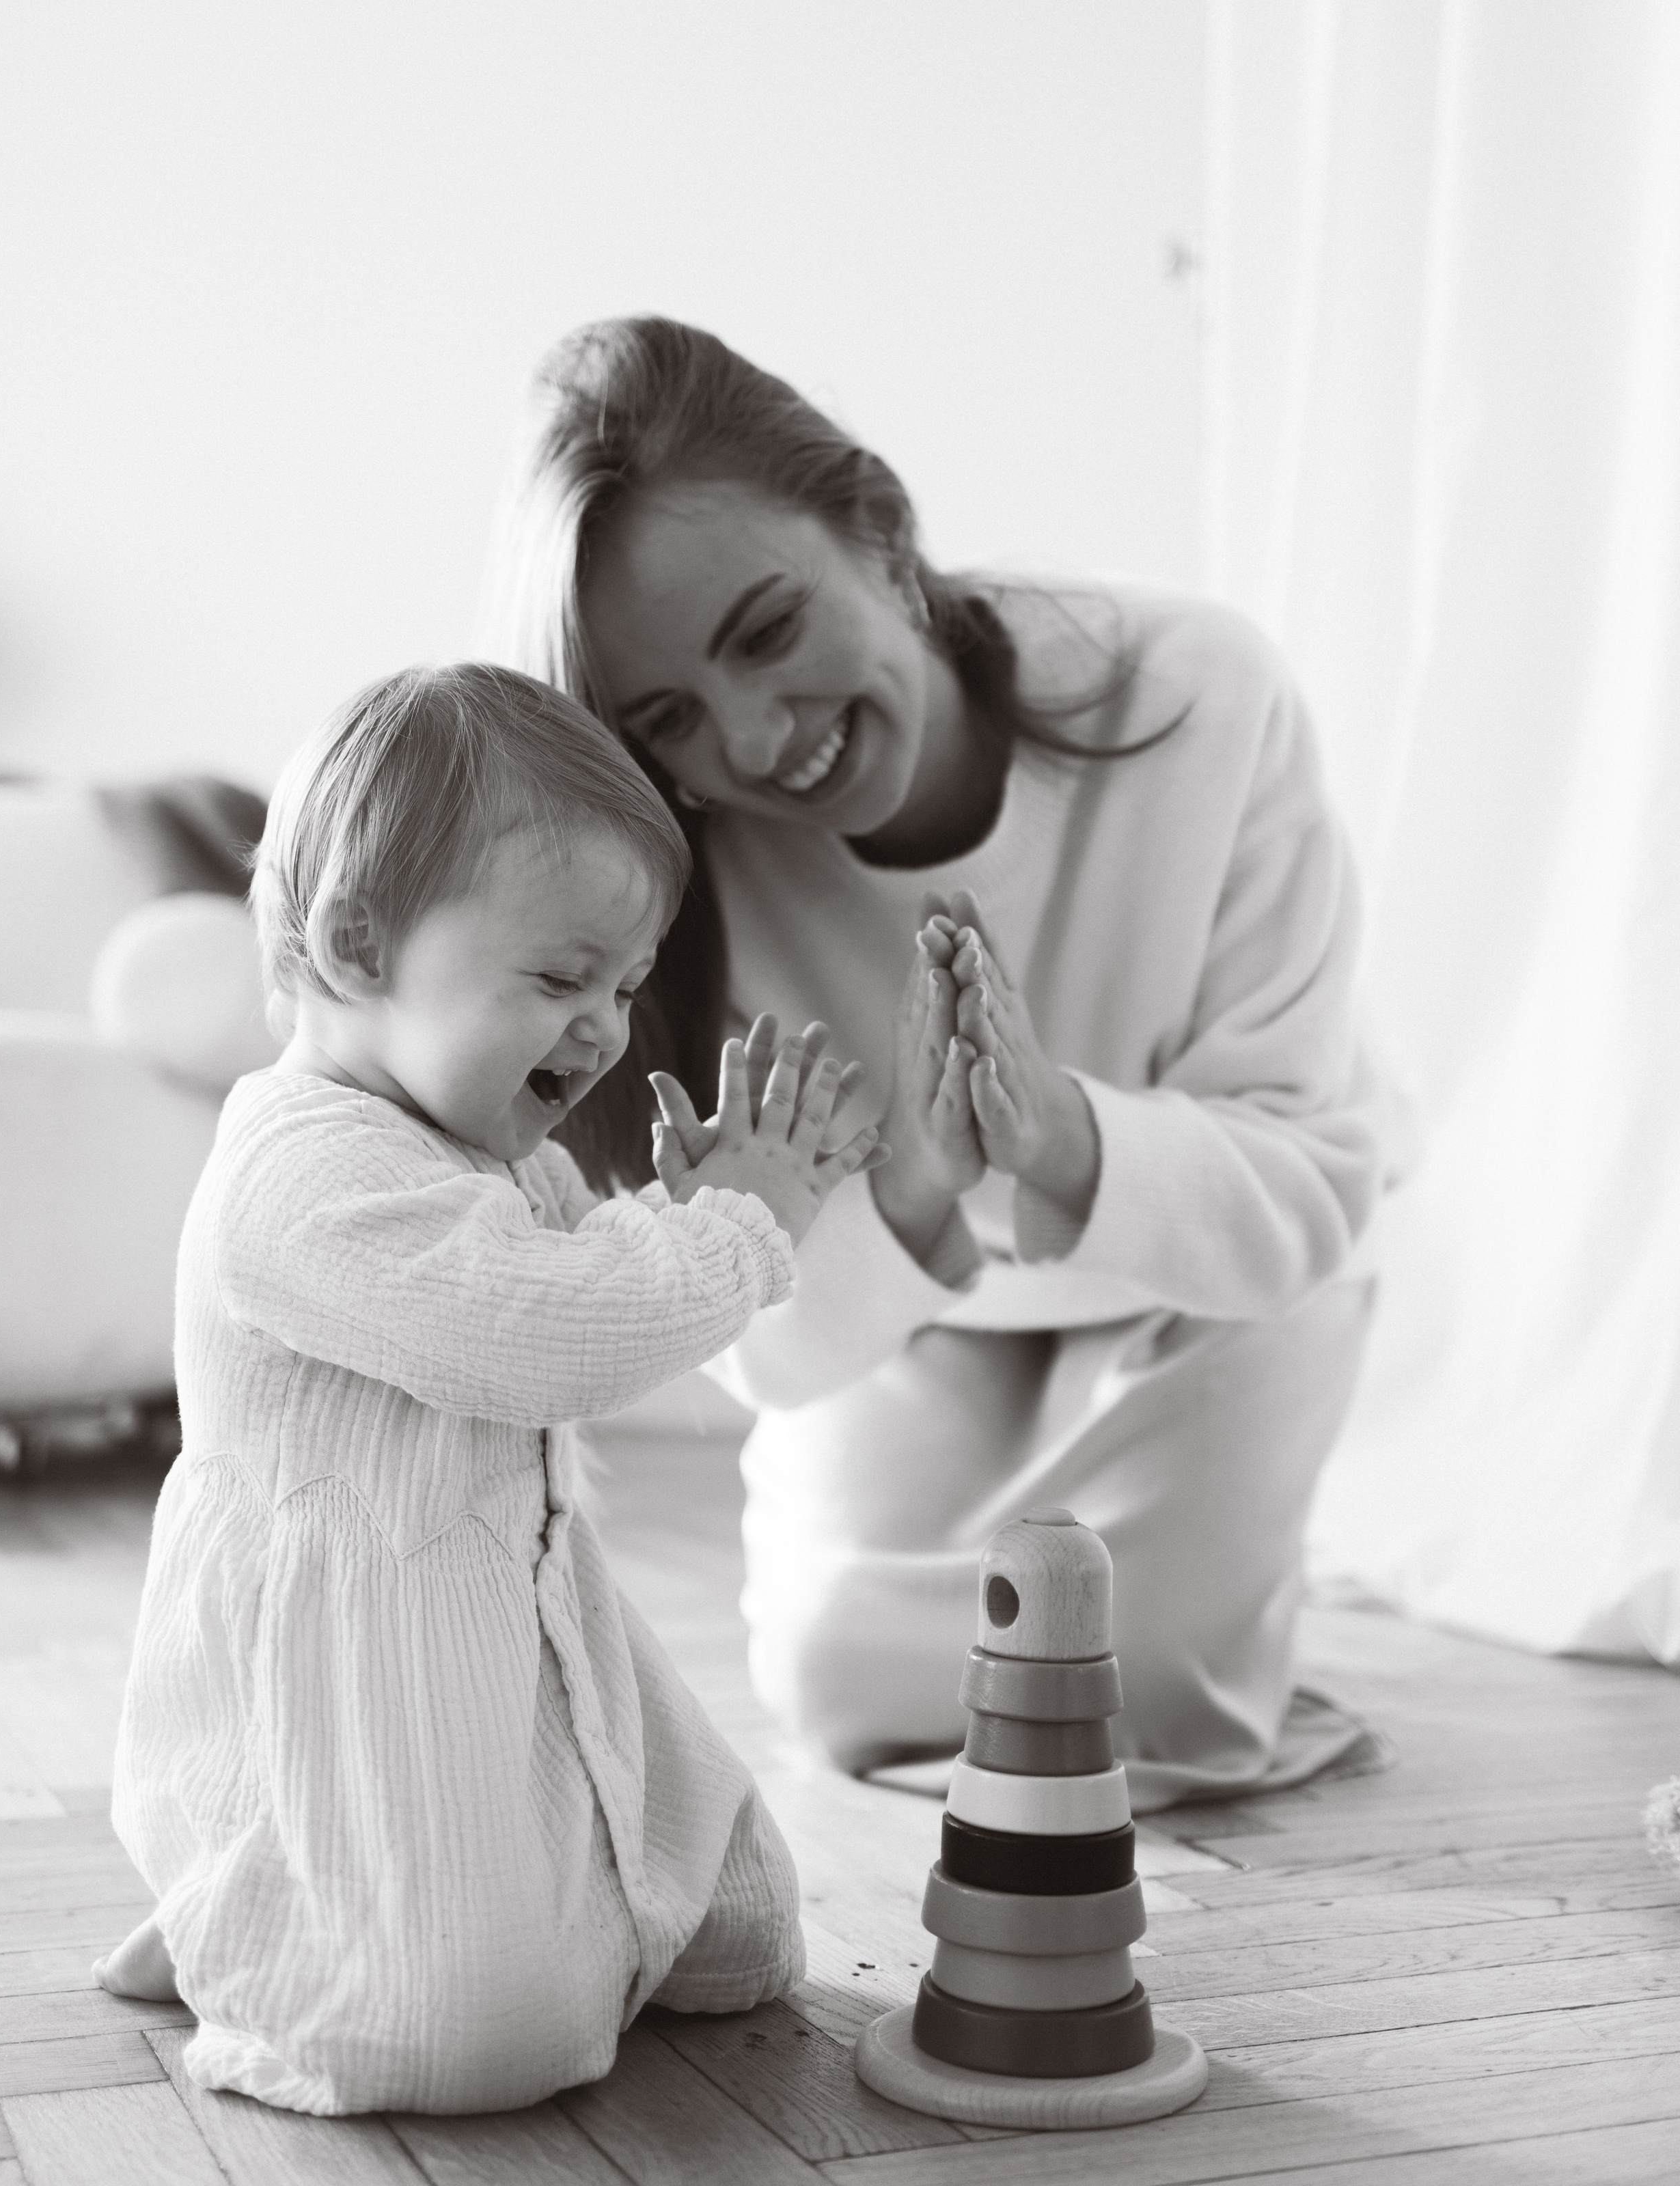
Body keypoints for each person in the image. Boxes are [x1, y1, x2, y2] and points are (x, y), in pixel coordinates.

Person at [480, 317, 1399, 1809]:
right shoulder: (671, 865)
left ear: (885, 538)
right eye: (669, 721)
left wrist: (1055, 1135)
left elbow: (1304, 1193)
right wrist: (913, 1179)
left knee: (1141, 1687)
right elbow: (768, 1342)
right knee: (853, 1686)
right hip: (911, 1314)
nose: (756, 742)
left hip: (1214, 1282)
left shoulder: (1195, 692)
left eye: (768, 631)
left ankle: (1231, 1586)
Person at [94, 663, 883, 2116]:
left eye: (625, 985)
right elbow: (547, 1334)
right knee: (470, 2045)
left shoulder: (482, 1143)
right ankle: (264, 1915)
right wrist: (736, 1228)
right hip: (362, 1670)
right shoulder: (301, 1175)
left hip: (513, 1629)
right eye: (559, 976)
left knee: (748, 1931)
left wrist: (677, 1212)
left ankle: (380, 1910)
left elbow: (592, 1278)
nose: (599, 1028)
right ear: (357, 942)